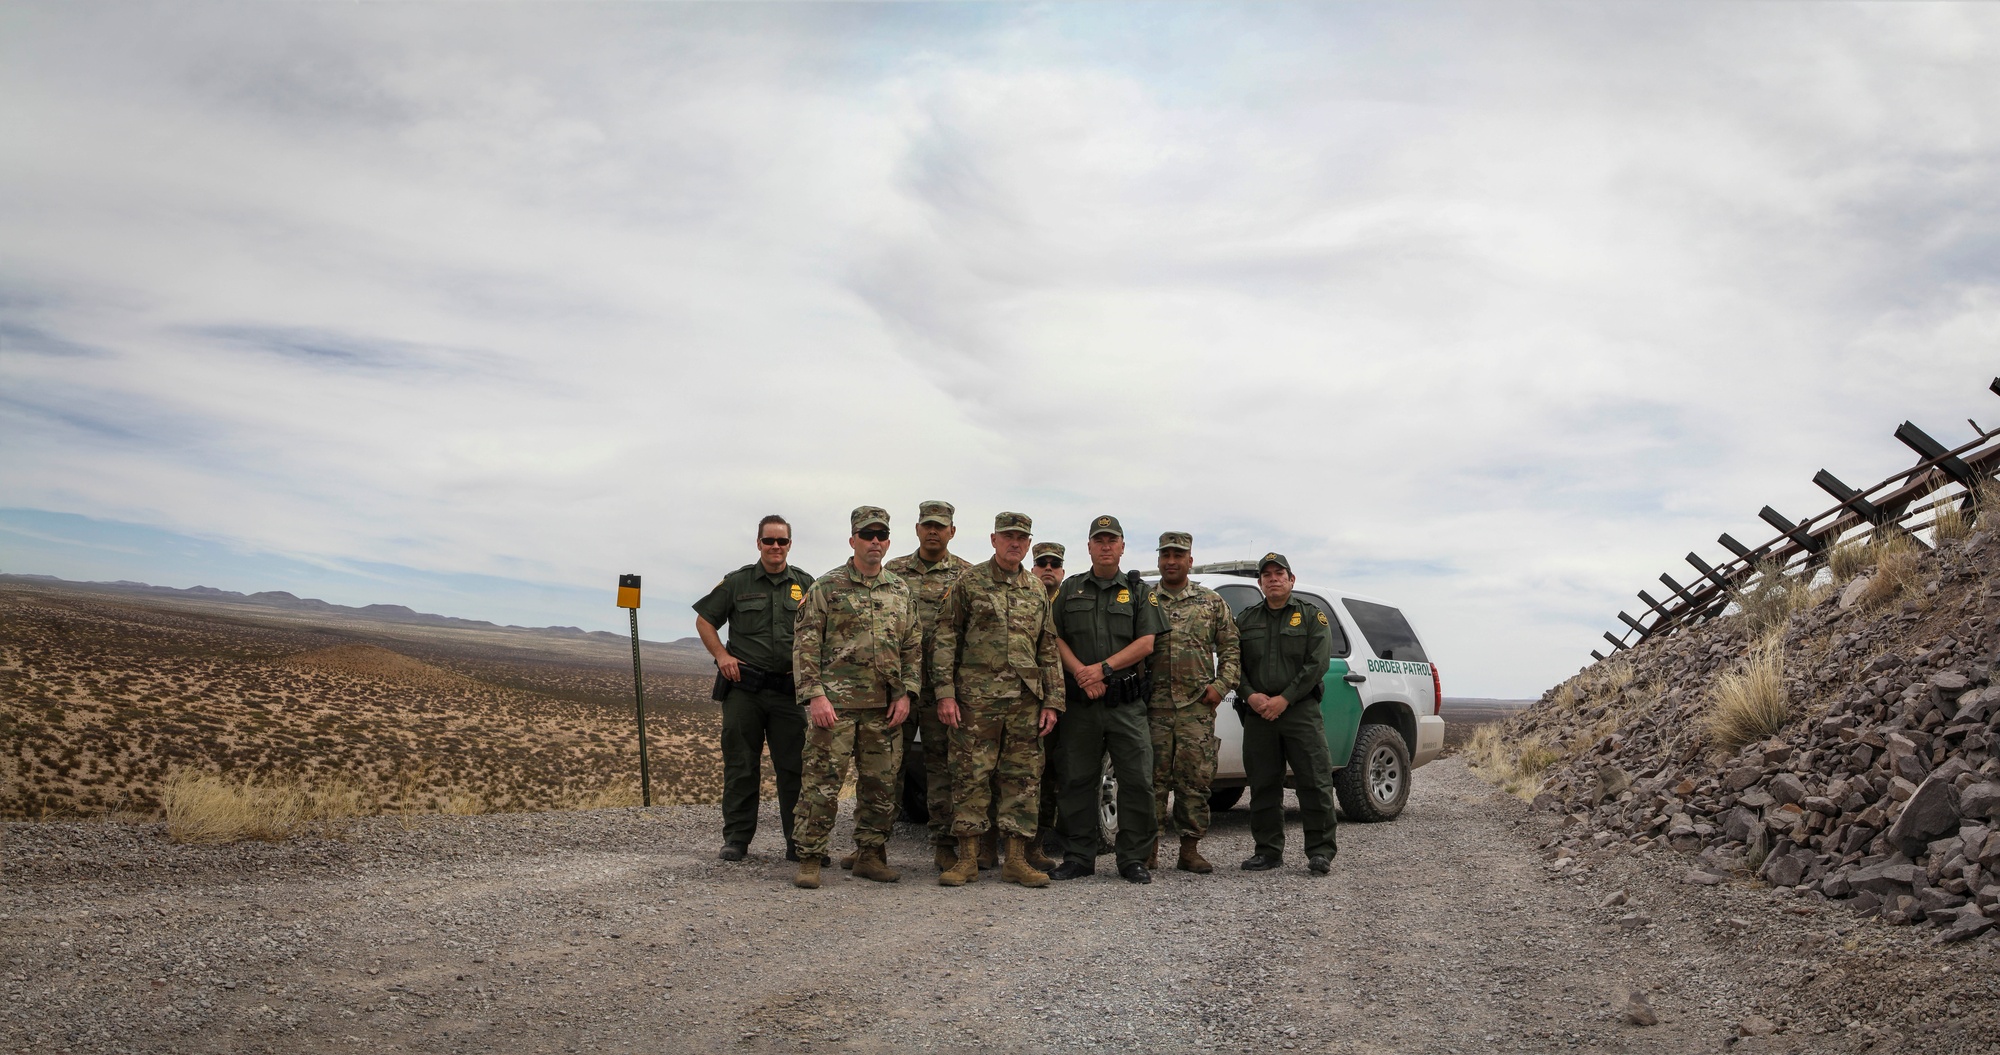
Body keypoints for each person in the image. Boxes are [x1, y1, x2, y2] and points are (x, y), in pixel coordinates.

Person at [788, 506, 921, 889]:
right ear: (853, 540)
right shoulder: (826, 588)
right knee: (822, 785)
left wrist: (906, 693)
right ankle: (810, 857)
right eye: (867, 535)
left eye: (881, 535)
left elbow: (913, 646)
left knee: (880, 786)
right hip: (836, 707)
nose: (875, 541)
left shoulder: (899, 590)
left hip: (884, 708)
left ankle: (870, 855)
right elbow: (806, 646)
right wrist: (815, 696)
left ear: (889, 542)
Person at [931, 512, 1061, 887]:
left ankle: (1016, 860)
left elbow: (1047, 647)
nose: (1014, 543)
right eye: (1008, 536)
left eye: (1022, 537)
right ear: (993, 539)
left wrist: (1052, 700)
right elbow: (945, 638)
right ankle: (968, 859)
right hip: (975, 701)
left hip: (1025, 701)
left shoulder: (1036, 589)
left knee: (1022, 779)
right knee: (970, 775)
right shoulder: (968, 583)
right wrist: (945, 693)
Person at [693, 515, 819, 862]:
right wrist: (721, 656)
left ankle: (798, 843)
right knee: (741, 765)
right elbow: (704, 620)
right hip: (744, 691)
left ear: (790, 545)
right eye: (769, 541)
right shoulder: (737, 582)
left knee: (794, 768)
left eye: (782, 541)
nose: (775, 547)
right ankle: (736, 839)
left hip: (787, 693)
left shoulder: (807, 584)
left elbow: (822, 630)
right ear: (758, 543)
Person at [1049, 515, 1167, 883]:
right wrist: (1082, 675)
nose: (1105, 546)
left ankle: (1131, 858)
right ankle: (1079, 856)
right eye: (1098, 540)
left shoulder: (1138, 591)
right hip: (1082, 704)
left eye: (1111, 540)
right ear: (1088, 546)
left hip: (1125, 704)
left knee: (1136, 781)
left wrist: (1101, 669)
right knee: (1076, 781)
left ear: (1122, 546)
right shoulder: (1070, 590)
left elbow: (1146, 643)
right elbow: (1054, 637)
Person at [881, 500, 974, 873]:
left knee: (941, 767)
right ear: (917, 529)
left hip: (940, 686)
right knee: (887, 766)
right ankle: (873, 844)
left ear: (952, 531)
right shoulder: (895, 571)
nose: (933, 531)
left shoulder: (967, 576)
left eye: (941, 526)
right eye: (927, 525)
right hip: (900, 684)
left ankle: (944, 845)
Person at [1233, 552, 1337, 875]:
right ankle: (1267, 850)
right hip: (1259, 715)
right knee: (1263, 783)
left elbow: (1317, 663)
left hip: (1299, 711)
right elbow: (1234, 664)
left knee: (1314, 780)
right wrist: (1250, 696)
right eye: (1267, 575)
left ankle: (1320, 852)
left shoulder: (1310, 617)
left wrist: (1285, 698)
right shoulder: (1246, 620)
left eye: (1280, 574)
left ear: (1292, 580)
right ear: (1260, 582)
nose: (1273, 579)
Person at [1146, 532, 1242, 874]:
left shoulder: (1210, 602)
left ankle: (1189, 850)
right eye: (1166, 554)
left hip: (1195, 708)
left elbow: (1231, 647)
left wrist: (1220, 686)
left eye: (1178, 554)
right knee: (1151, 781)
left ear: (1190, 559)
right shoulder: (1145, 600)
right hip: (1152, 707)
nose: (1171, 560)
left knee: (1195, 780)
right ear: (1159, 559)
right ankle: (1149, 851)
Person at [1027, 541, 1067, 870]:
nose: (1048, 568)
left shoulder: (1070, 603)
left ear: (1063, 571)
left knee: (1051, 777)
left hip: (1063, 704)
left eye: (1054, 564)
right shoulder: (1024, 599)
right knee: (1015, 776)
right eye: (1042, 563)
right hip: (1024, 704)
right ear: (1033, 568)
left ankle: (1036, 844)